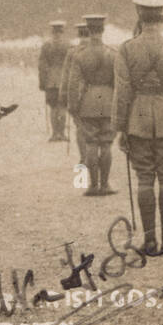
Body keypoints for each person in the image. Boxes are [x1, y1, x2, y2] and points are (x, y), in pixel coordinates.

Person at [113, 0, 163, 256]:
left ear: (139, 16)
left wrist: (121, 128)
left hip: (137, 121)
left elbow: (123, 92)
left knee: (144, 179)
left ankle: (149, 242)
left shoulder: (127, 49)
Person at [68, 13, 118, 196]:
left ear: (88, 30)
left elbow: (74, 85)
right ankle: (105, 185)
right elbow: (118, 82)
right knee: (106, 144)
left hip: (88, 103)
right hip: (109, 102)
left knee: (90, 143)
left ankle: (93, 185)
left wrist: (73, 108)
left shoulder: (80, 55)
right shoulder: (113, 53)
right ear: (103, 30)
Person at [60, 21, 91, 163]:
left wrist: (63, 97)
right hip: (99, 97)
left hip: (78, 96)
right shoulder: (104, 50)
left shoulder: (72, 52)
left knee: (80, 128)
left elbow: (66, 78)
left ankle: (84, 158)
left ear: (79, 34)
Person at [39, 21, 70, 141]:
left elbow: (42, 66)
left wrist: (42, 83)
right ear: (62, 31)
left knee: (53, 108)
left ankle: (54, 134)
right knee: (62, 107)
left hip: (50, 81)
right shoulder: (68, 45)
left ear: (52, 31)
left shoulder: (46, 45)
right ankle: (62, 133)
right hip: (64, 80)